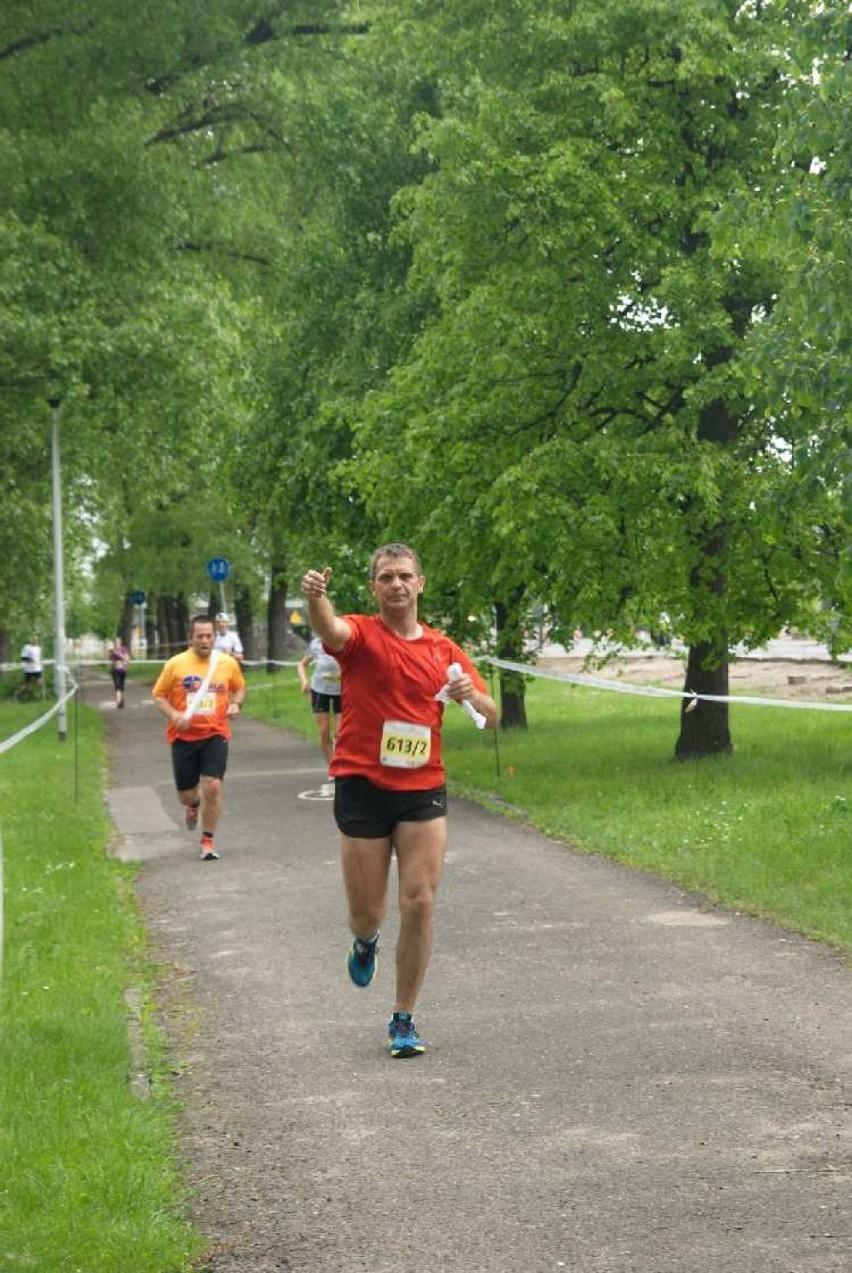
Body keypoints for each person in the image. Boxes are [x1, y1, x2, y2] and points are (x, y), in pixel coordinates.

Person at [301, 543, 498, 1058]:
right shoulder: (361, 634)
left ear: (420, 583)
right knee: (367, 913)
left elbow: (491, 713)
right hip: (362, 786)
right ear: (374, 588)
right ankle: (365, 941)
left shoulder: (442, 649)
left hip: (422, 789)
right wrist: (316, 599)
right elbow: (330, 631)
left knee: (420, 900)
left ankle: (403, 1018)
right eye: (386, 577)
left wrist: (468, 697)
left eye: (404, 576)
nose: (396, 585)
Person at [152, 614, 246, 861]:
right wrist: (174, 715)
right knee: (187, 795)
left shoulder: (227, 663)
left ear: (214, 637)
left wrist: (236, 705)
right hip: (183, 737)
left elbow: (239, 687)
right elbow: (158, 696)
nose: (205, 641)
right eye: (200, 636)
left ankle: (207, 839)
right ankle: (193, 806)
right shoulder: (175, 664)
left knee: (213, 785)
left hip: (215, 733)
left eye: (209, 636)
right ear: (190, 638)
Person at [297, 633, 342, 779]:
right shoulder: (316, 643)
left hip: (341, 690)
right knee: (324, 732)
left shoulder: (341, 640)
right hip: (319, 689)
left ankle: (342, 764)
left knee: (340, 734)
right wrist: (304, 681)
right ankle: (333, 767)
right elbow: (302, 664)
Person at [108, 636, 131, 709]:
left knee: (121, 686)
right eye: (115, 642)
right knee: (117, 686)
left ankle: (121, 700)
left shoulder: (124, 649)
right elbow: (109, 659)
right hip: (115, 670)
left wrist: (120, 655)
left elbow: (127, 659)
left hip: (123, 670)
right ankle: (118, 702)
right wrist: (112, 653)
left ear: (120, 642)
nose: (117, 643)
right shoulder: (112, 650)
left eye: (118, 642)